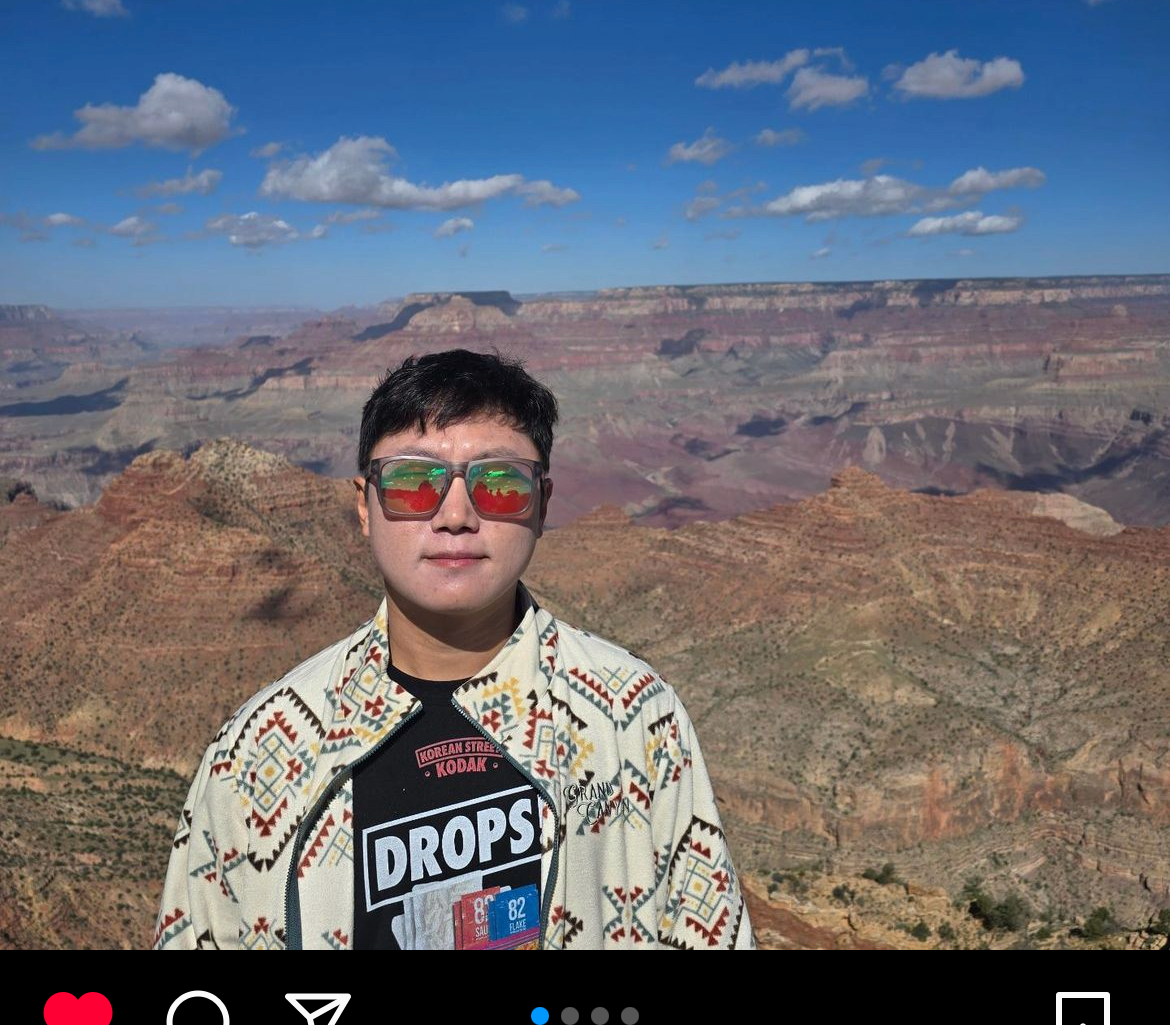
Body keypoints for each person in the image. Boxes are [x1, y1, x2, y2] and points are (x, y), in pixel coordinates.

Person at [153, 348, 756, 952]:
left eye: (499, 483)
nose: (456, 515)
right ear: (364, 506)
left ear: (542, 505)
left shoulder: (635, 717)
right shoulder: (256, 749)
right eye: (414, 482)